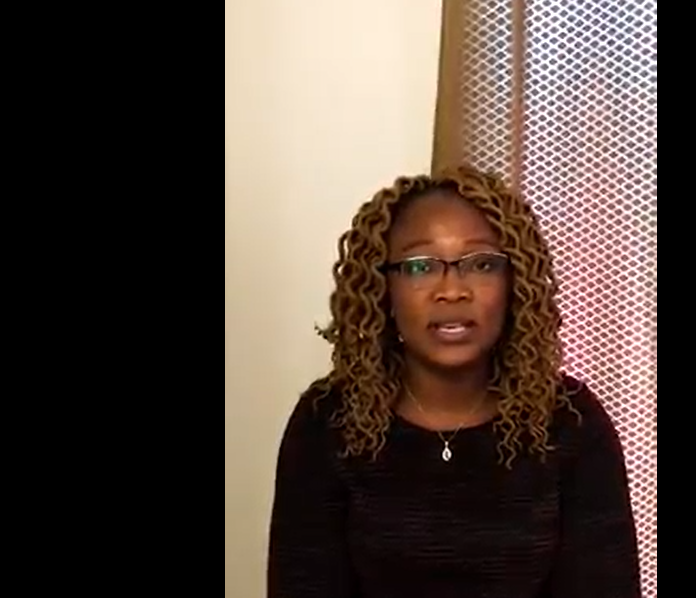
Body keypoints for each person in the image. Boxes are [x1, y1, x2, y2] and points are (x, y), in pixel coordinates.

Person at [268, 166, 643, 597]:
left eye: (481, 264)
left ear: (513, 283)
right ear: (383, 289)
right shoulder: (327, 422)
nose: (452, 290)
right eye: (421, 266)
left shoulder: (570, 421)